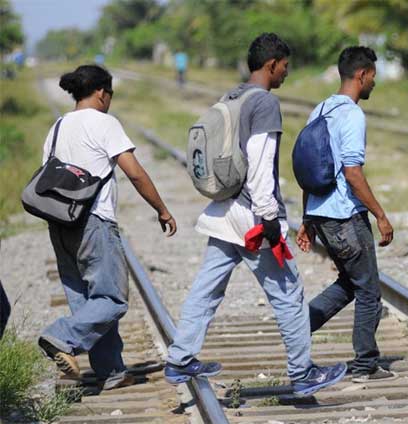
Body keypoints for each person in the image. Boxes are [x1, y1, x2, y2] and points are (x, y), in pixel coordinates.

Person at [164, 33, 346, 397]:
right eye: (285, 67)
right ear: (271, 64)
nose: (286, 74)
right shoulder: (264, 104)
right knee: (289, 292)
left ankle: (180, 358)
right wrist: (269, 221)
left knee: (206, 287)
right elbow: (261, 162)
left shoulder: (232, 95)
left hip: (223, 211)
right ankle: (302, 372)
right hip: (251, 218)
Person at [38, 65, 177, 390]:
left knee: (88, 302)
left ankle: (111, 371)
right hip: (93, 222)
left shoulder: (57, 126)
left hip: (59, 224)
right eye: (110, 94)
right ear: (102, 92)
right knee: (112, 299)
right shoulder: (104, 123)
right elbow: (135, 172)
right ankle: (61, 335)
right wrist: (161, 209)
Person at [296, 46, 396, 383]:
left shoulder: (320, 110)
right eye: (373, 77)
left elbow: (308, 169)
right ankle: (366, 363)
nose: (374, 84)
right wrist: (380, 215)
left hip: (322, 216)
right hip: (345, 217)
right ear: (362, 74)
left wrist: (308, 218)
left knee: (349, 283)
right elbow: (352, 172)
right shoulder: (353, 115)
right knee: (369, 291)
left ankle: (299, 328)